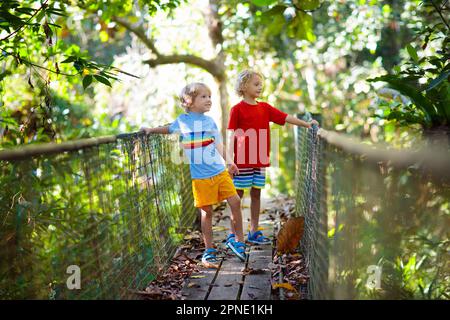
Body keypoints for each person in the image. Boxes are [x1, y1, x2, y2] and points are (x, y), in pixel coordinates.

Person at [141, 82, 246, 268]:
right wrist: (151, 130)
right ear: (189, 102)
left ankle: (238, 241)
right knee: (206, 212)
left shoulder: (210, 122)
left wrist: (230, 161)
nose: (209, 100)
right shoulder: (182, 122)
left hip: (219, 172)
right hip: (201, 178)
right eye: (203, 97)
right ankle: (209, 250)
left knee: (235, 201)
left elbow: (219, 144)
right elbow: (168, 128)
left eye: (209, 96)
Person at [227, 70, 319, 244]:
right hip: (240, 162)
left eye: (261, 84)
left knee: (256, 194)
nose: (260, 87)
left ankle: (253, 231)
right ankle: (234, 234)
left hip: (259, 160)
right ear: (243, 86)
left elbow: (285, 117)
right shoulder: (236, 110)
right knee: (236, 197)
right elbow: (231, 135)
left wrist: (307, 124)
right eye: (256, 84)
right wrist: (230, 161)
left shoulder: (265, 108)